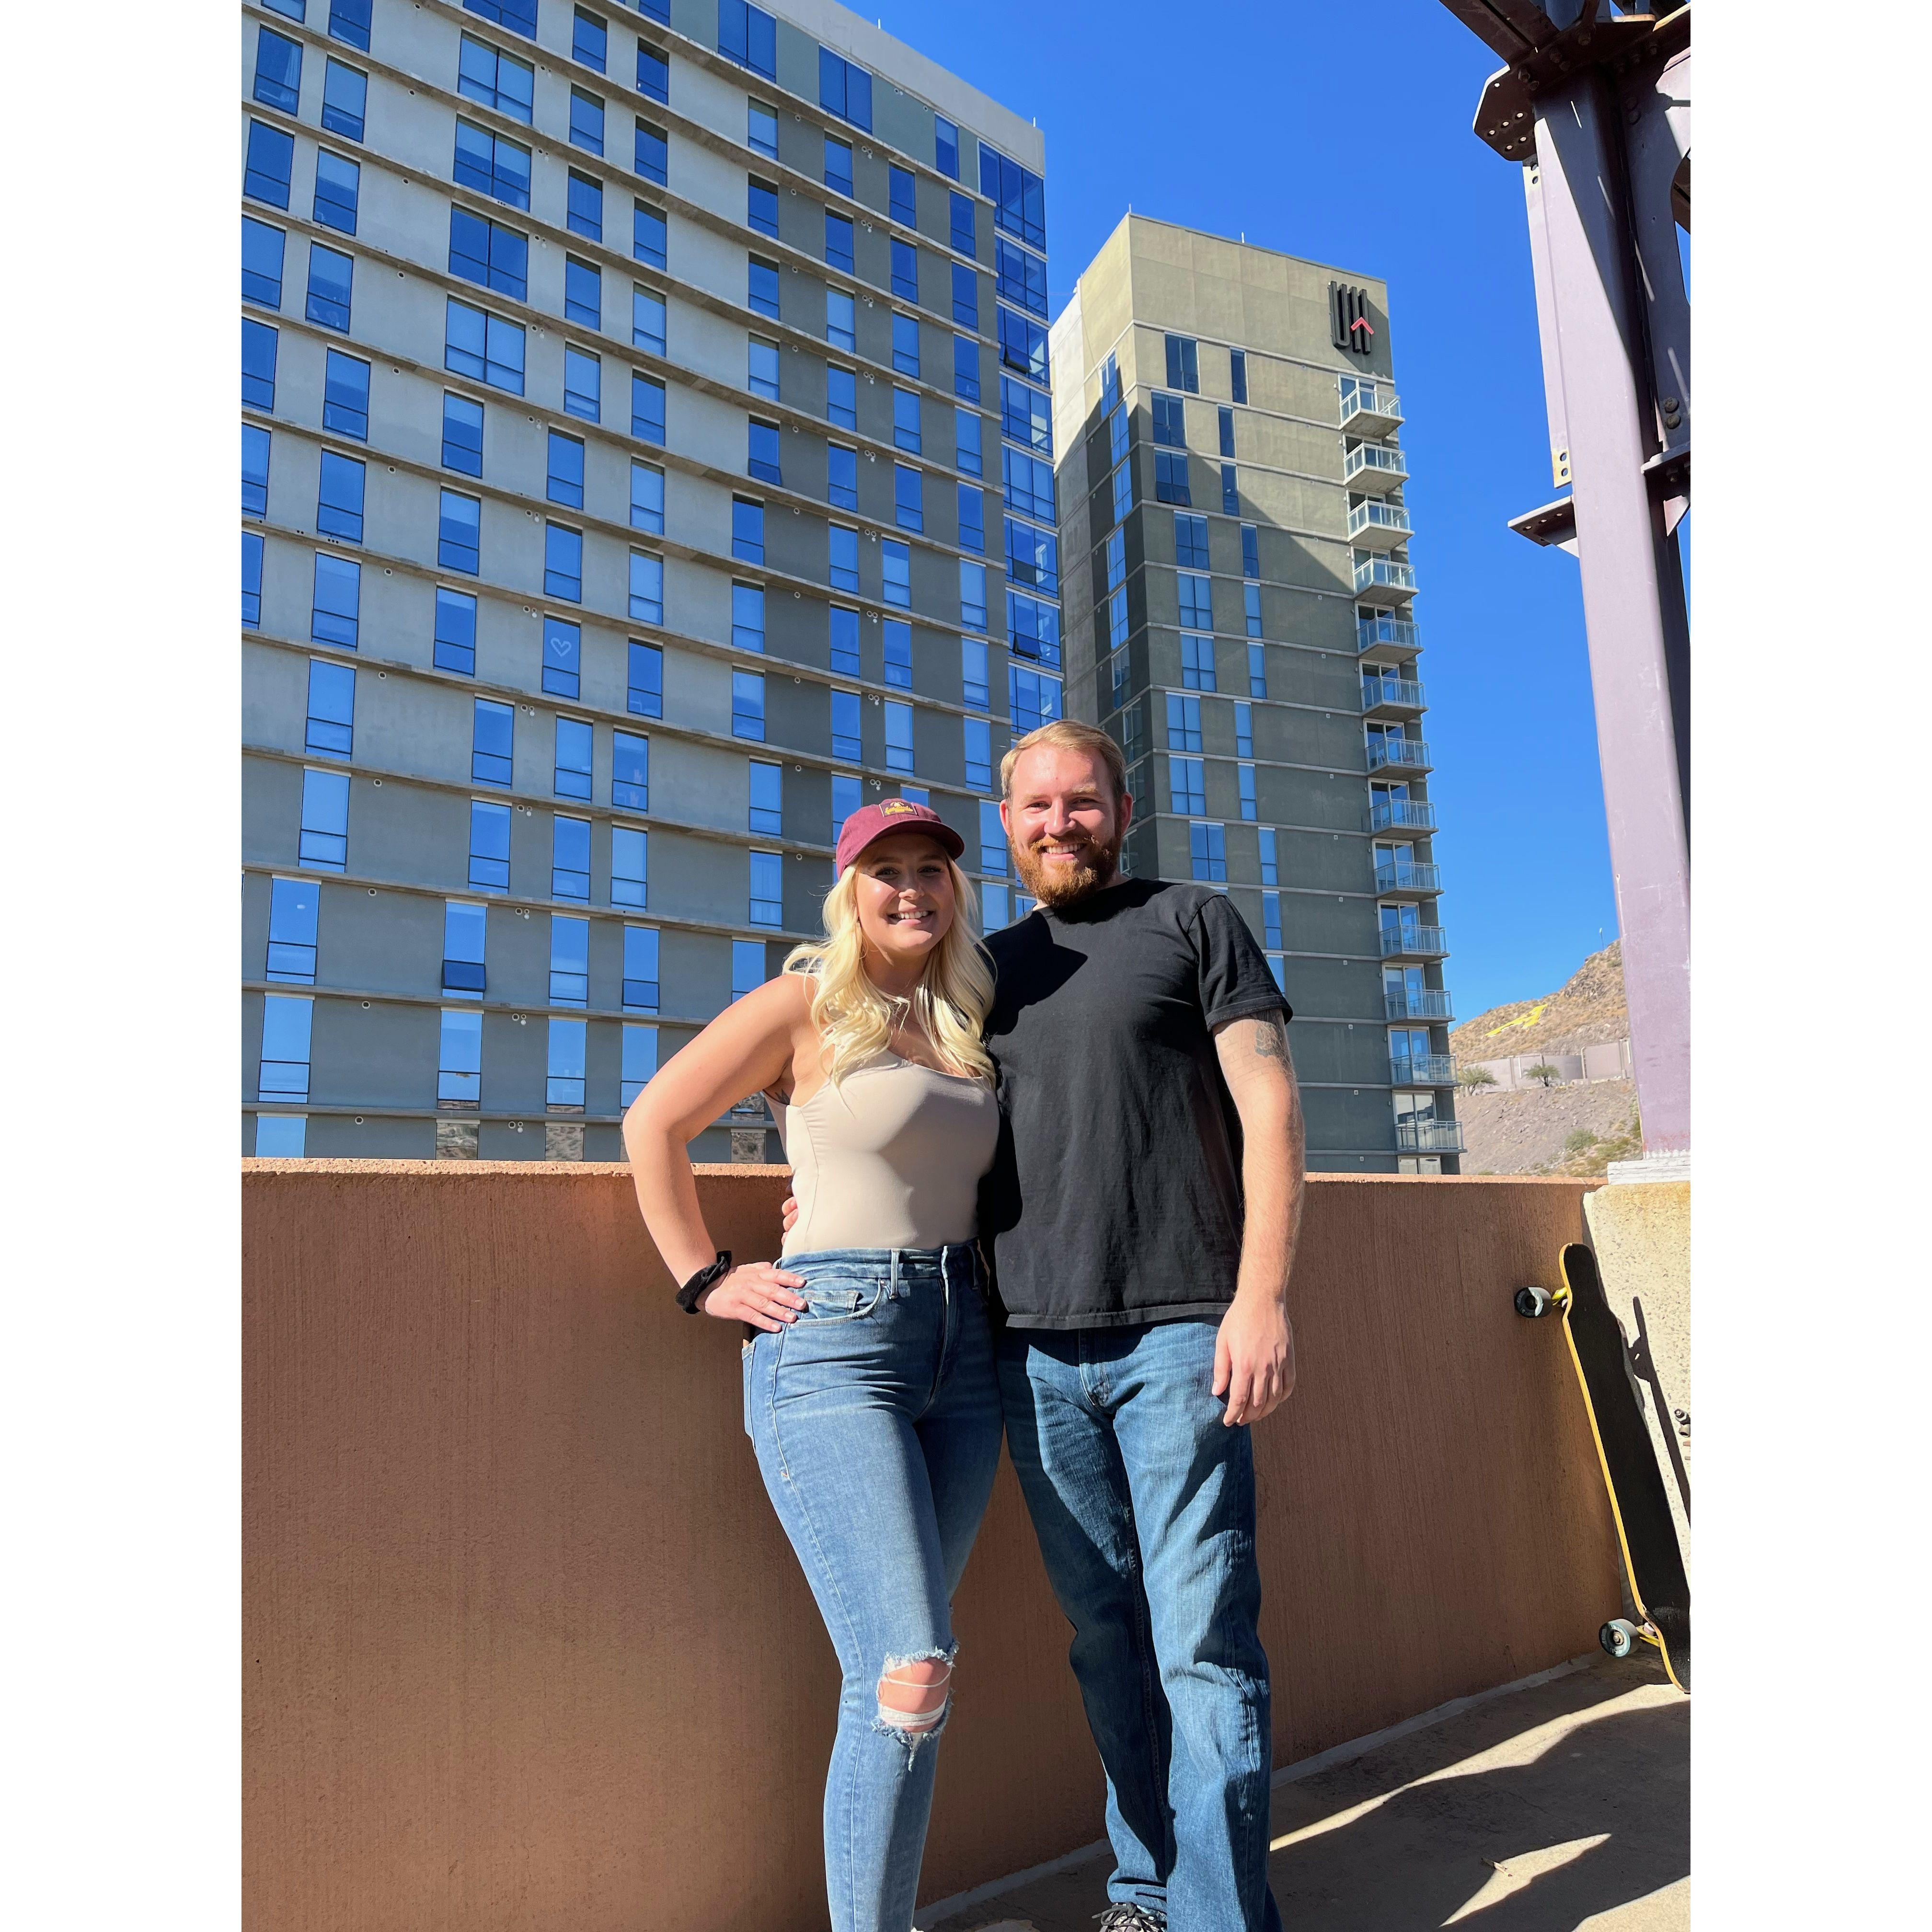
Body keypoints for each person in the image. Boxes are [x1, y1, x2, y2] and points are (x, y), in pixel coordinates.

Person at [622, 799, 1006, 1932]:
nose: (910, 890)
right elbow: (655, 1123)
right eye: (885, 872)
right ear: (850, 893)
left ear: (955, 891)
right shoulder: (805, 1007)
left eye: (930, 871)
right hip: (836, 1341)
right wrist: (703, 1278)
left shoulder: (967, 1021)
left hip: (967, 1347)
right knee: (910, 1667)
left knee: (906, 1687)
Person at [985, 719, 1305, 1932]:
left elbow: (1268, 1106)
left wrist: (1260, 1297)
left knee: (1205, 1650)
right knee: (1106, 1644)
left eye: (1082, 801)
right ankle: (1147, 1889)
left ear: (1121, 808)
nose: (1060, 822)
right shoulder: (988, 968)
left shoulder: (1194, 920)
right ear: (1006, 822)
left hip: (1183, 1331)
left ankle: (1224, 1920)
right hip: (1028, 1346)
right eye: (1036, 806)